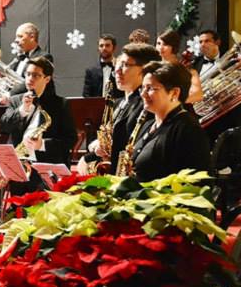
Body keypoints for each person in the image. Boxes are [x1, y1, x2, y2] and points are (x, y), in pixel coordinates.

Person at [79, 43, 161, 175]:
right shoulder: (119, 103)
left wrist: (92, 156)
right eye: (118, 65)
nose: (117, 71)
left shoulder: (147, 105)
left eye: (125, 65)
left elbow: (132, 146)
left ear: (145, 69)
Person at [131, 61, 210, 181]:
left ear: (174, 93)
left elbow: (196, 183)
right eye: (142, 88)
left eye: (150, 88)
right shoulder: (147, 125)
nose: (143, 94)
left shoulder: (188, 130)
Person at [0, 57, 76, 166]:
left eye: (36, 75)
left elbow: (70, 139)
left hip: (45, 163)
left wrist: (42, 144)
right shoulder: (15, 100)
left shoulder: (60, 104)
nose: (30, 79)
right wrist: (22, 110)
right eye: (28, 74)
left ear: (47, 79)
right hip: (17, 162)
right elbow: (4, 127)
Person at [191, 29, 241, 144]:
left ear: (217, 42)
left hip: (230, 116)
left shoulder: (234, 61)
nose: (203, 45)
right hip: (206, 118)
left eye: (207, 41)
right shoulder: (195, 64)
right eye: (200, 42)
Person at [156, 29, 203, 104]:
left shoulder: (187, 70)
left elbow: (198, 95)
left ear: (174, 46)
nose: (160, 47)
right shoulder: (154, 69)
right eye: (158, 43)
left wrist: (170, 103)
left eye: (165, 44)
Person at [83, 34, 124, 99]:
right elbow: (86, 95)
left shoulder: (121, 68)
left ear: (114, 48)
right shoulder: (91, 71)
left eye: (107, 45)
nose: (104, 48)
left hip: (118, 104)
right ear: (98, 48)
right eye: (101, 46)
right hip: (96, 105)